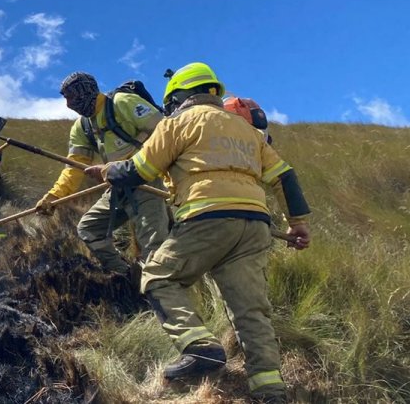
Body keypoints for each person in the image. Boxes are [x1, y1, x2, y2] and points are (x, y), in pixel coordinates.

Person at [84, 62, 310, 404]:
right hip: (254, 225)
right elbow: (285, 176)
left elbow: (141, 169)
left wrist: (108, 170)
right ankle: (270, 390)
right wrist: (297, 223)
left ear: (179, 97)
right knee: (250, 311)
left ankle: (200, 347)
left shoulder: (179, 123)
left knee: (159, 276)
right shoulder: (248, 131)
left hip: (206, 215)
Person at [35, 71, 169, 277]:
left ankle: (159, 289)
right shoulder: (82, 127)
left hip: (147, 181)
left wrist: (135, 164)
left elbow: (167, 133)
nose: (69, 104)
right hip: (118, 185)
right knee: (89, 229)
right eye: (65, 99)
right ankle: (128, 276)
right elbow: (73, 167)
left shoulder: (122, 103)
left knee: (153, 246)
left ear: (86, 91)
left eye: (72, 96)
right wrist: (54, 197)